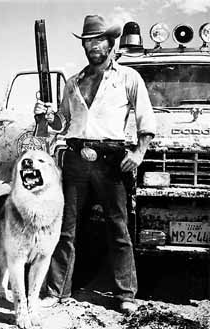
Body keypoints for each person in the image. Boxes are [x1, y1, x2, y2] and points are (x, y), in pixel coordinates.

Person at [34, 15, 156, 314]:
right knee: (66, 229)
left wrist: (139, 152)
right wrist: (47, 116)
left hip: (111, 160)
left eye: (99, 40)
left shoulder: (128, 77)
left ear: (111, 43)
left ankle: (126, 294)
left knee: (118, 228)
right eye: (89, 41)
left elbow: (146, 119)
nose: (94, 46)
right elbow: (63, 123)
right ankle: (57, 290)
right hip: (76, 158)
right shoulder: (74, 81)